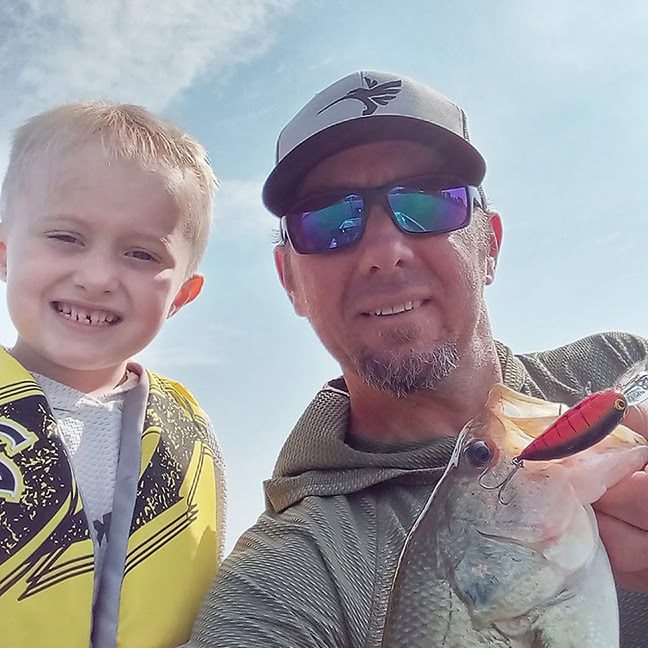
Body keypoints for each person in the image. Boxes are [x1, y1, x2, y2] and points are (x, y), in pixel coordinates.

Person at [188, 70, 648, 647]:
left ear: (489, 244)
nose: (384, 252)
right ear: (290, 282)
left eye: (427, 202)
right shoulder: (283, 580)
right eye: (327, 221)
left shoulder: (623, 367)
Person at [0, 101, 226, 647]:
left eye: (141, 254)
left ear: (182, 295)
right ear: (4, 252)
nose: (98, 276)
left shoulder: (191, 438)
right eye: (65, 237)